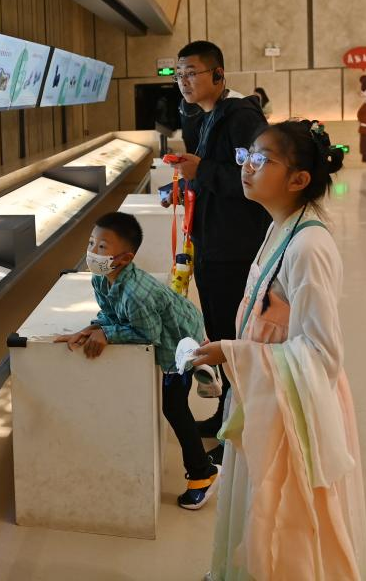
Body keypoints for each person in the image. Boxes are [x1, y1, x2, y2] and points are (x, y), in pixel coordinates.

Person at [193, 120, 366, 581]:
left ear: (298, 179)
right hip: (272, 396)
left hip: (295, 408)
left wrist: (236, 355)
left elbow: (322, 354)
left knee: (286, 527)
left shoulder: (308, 246)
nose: (247, 167)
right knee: (260, 509)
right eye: (246, 156)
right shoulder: (281, 227)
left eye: (262, 159)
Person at [55, 212, 220, 510]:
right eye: (92, 243)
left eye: (102, 247)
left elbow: (148, 335)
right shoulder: (101, 278)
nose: (93, 252)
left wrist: (108, 334)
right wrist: (94, 328)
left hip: (177, 342)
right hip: (169, 326)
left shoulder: (136, 295)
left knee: (174, 407)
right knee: (171, 402)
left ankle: (203, 474)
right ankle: (200, 366)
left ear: (125, 258)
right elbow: (110, 313)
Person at [172, 41, 272, 441]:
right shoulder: (208, 116)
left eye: (192, 73)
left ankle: (244, 425)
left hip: (235, 248)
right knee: (219, 333)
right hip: (211, 244)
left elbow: (258, 178)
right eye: (179, 75)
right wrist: (185, 183)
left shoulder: (241, 117)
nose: (184, 82)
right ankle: (227, 415)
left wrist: (203, 171)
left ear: (218, 74)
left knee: (234, 336)